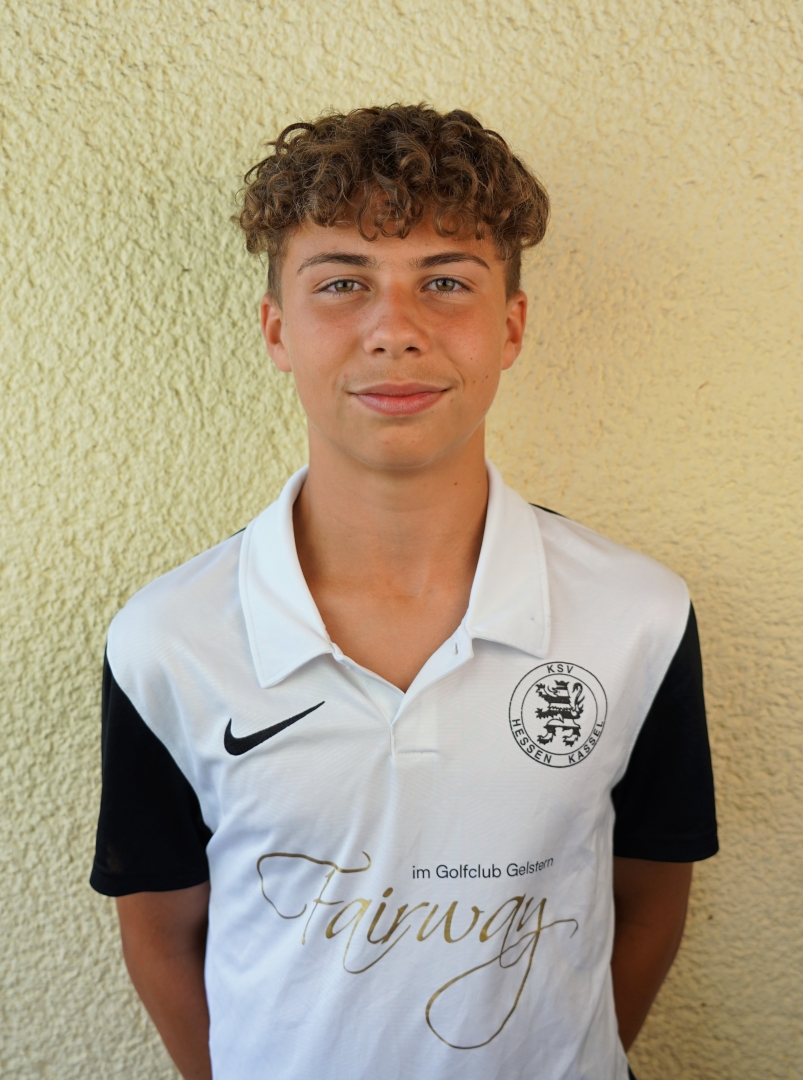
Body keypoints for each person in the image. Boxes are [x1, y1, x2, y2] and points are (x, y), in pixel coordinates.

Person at [90, 104, 718, 1080]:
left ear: (510, 327)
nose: (394, 330)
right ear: (276, 330)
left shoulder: (637, 615)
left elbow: (646, 902)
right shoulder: (167, 639)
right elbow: (164, 937)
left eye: (445, 282)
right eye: (342, 283)